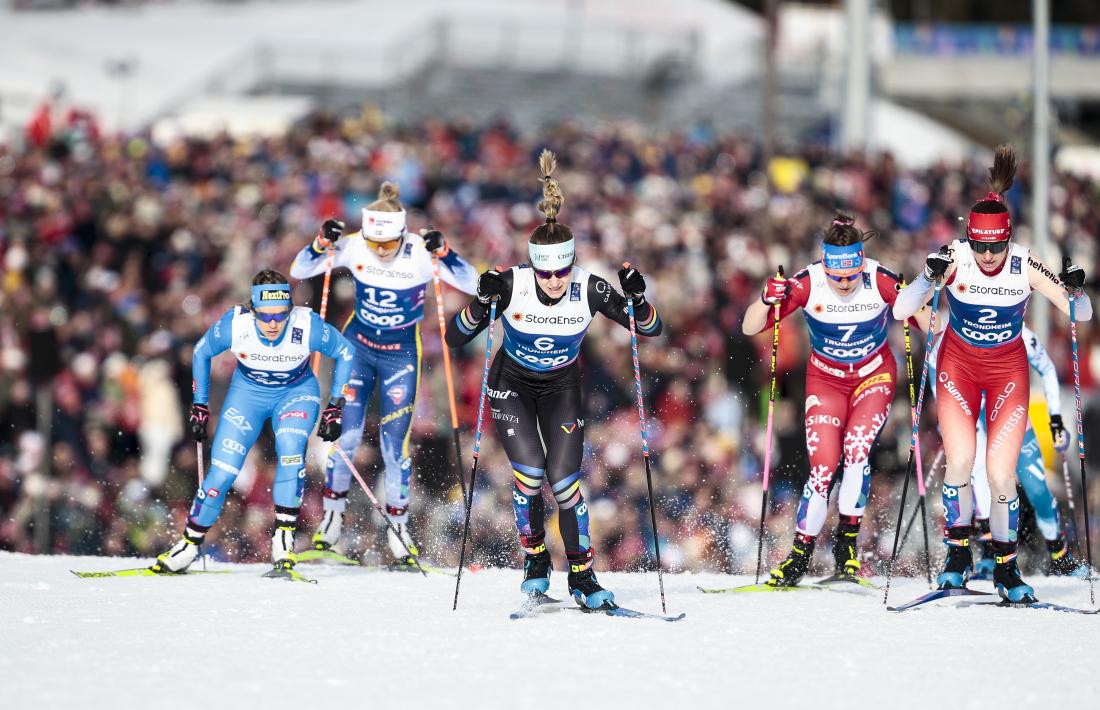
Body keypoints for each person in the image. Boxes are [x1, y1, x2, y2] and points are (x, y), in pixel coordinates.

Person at [445, 150, 662, 609]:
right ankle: (536, 559)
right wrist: (480, 302)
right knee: (530, 475)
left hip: (561, 387)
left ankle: (582, 576)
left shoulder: (589, 286)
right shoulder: (511, 284)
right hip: (512, 386)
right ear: (533, 267)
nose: (555, 281)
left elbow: (650, 328)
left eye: (562, 270)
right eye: (546, 273)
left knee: (566, 484)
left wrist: (638, 299)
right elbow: (454, 335)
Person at [893, 145, 1092, 603]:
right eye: (979, 245)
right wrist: (926, 278)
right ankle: (957, 558)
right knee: (960, 464)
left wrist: (1077, 290)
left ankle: (1006, 568)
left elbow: (1079, 313)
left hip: (1007, 373)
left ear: (1007, 239)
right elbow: (904, 308)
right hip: (958, 370)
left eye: (994, 246)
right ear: (969, 239)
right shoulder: (955, 254)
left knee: (1002, 476)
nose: (986, 255)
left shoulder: (1024, 262)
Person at [289, 182, 478, 568]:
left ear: (401, 233)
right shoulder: (357, 243)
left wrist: (446, 253)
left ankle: (399, 527)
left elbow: (474, 283)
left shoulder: (418, 253)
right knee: (348, 435)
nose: (379, 250)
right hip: (357, 348)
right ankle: (332, 516)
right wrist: (320, 244)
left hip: (400, 354)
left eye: (387, 243)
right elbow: (299, 269)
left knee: (396, 445)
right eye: (374, 243)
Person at [741, 214, 928, 587]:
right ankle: (799, 555)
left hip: (873, 376)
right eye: (836, 276)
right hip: (826, 381)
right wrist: (765, 299)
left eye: (851, 276)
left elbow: (930, 323)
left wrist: (920, 293)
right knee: (823, 469)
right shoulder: (808, 282)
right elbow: (749, 326)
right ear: (825, 266)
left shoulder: (879, 279)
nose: (844, 284)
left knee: (857, 452)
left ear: (862, 264)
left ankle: (846, 548)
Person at [151, 270, 354, 576]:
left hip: (296, 393)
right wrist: (200, 405)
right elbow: (201, 352)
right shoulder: (237, 324)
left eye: (280, 316)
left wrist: (335, 406)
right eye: (265, 316)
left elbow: (344, 351)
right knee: (222, 471)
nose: (273, 324)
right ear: (253, 309)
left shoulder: (305, 324)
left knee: (289, 448)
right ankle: (188, 545)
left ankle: (283, 541)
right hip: (247, 395)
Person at [928, 325, 1090, 578]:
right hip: (975, 417)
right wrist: (945, 413)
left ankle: (1060, 555)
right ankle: (989, 554)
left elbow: (1047, 369)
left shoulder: (1018, 332)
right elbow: (934, 363)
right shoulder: (960, 327)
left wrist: (1055, 418)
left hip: (1012, 418)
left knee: (1036, 489)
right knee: (979, 474)